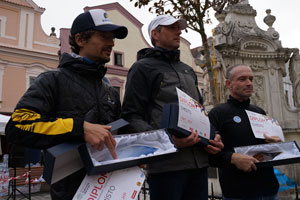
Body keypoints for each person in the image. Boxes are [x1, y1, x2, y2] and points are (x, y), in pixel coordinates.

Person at [5, 9, 128, 200]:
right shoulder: (52, 80)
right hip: (70, 193)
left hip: (113, 189)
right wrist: (78, 128)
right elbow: (18, 126)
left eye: (113, 37)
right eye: (104, 36)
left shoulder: (109, 89)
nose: (111, 42)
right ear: (80, 40)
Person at [121, 15, 223, 200]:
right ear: (155, 34)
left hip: (199, 163)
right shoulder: (141, 68)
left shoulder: (187, 69)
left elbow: (199, 110)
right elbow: (131, 116)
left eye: (179, 27)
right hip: (166, 166)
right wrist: (166, 141)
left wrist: (213, 136)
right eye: (172, 27)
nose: (179, 31)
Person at [208, 64, 282, 199]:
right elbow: (208, 155)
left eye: (251, 79)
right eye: (242, 79)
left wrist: (276, 144)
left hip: (269, 189)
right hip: (238, 192)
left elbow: (268, 151)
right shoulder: (217, 114)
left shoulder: (259, 112)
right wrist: (231, 158)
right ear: (228, 84)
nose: (249, 83)